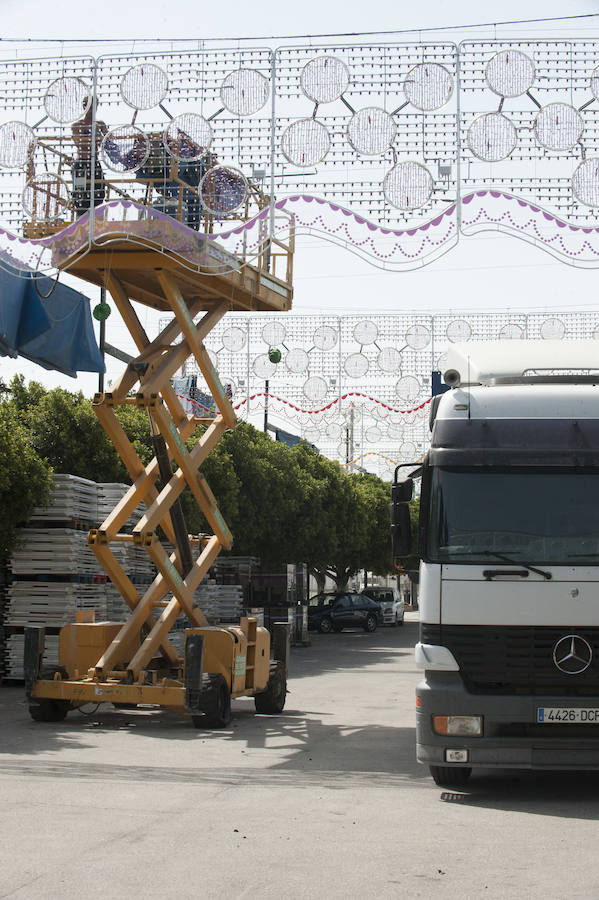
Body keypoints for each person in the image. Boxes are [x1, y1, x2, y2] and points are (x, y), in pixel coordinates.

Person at [71, 98, 107, 216]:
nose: (92, 109)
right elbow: (80, 143)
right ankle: (81, 218)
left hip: (94, 163)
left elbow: (108, 141)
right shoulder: (77, 125)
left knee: (99, 191)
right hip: (81, 163)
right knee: (80, 192)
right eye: (89, 106)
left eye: (94, 106)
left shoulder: (100, 124)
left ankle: (97, 217)